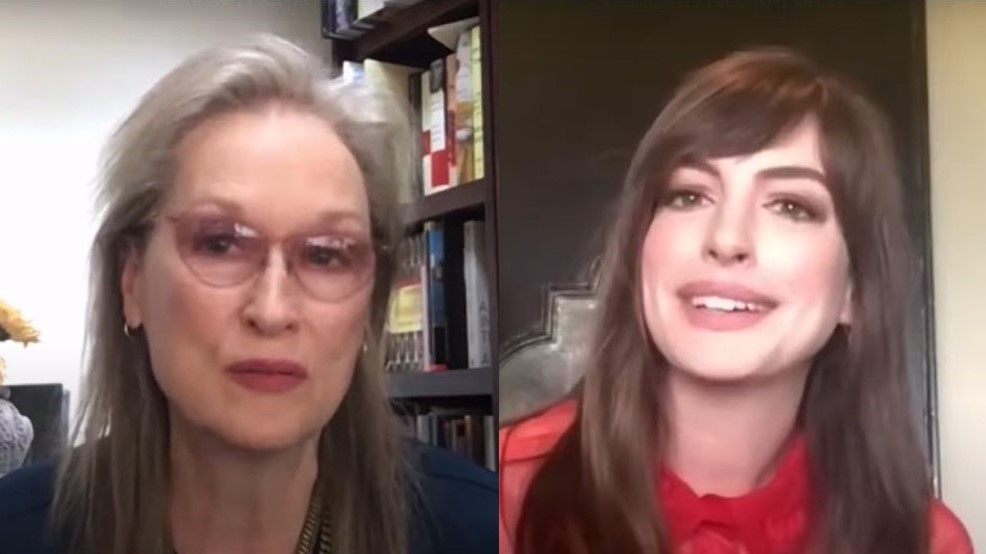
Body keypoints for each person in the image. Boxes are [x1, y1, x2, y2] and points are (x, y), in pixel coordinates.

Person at [0, 34, 496, 554]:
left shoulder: (486, 529)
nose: (272, 310)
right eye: (220, 244)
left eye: (326, 254)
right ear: (133, 280)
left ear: (370, 301)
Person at [498, 48, 972, 554]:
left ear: (854, 290)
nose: (726, 239)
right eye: (688, 195)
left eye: (790, 206)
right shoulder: (504, 491)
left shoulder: (926, 542)